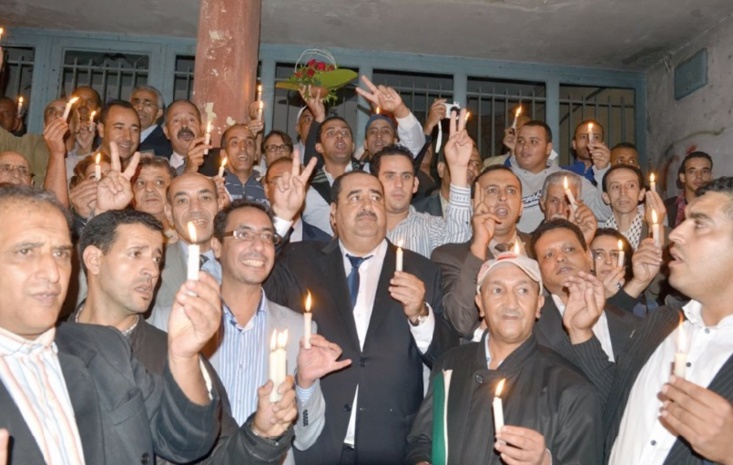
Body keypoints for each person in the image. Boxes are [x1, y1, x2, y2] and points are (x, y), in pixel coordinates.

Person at [0, 185, 221, 465]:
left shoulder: (104, 347)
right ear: (93, 260)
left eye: (60, 253)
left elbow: (186, 443)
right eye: (26, 251)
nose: (52, 272)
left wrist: (183, 355)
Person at [74, 208, 299, 465]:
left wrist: (261, 434)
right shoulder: (50, 347)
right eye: (136, 254)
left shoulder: (177, 356)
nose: (151, 270)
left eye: (156, 259)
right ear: (93, 260)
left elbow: (218, 455)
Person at [264, 170, 458, 464]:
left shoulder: (421, 271)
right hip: (315, 438)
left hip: (390, 444)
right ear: (333, 213)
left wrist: (420, 314)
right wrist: (280, 217)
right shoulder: (300, 260)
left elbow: (449, 359)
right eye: (355, 197)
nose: (367, 204)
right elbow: (255, 287)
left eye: (375, 197)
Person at [556, 177, 733, 465]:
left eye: (699, 223)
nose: (675, 234)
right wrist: (581, 332)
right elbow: (616, 401)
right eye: (684, 220)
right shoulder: (662, 322)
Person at [406, 252, 602, 464]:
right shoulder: (449, 365)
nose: (511, 303)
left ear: (538, 304)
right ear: (480, 304)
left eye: (523, 290)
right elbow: (422, 440)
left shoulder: (572, 389)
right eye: (497, 290)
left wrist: (545, 461)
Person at [209, 200, 351, 463]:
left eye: (266, 236)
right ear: (216, 246)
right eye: (243, 234)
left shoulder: (298, 328)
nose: (258, 245)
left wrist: (305, 385)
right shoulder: (178, 321)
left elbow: (306, 436)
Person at [431, 165, 530, 339]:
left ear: (521, 207)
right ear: (473, 203)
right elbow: (461, 322)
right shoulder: (449, 256)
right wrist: (479, 245)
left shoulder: (540, 248)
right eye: (492, 191)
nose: (502, 197)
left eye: (511, 191)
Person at [531, 219, 641, 361]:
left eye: (569, 249)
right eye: (549, 255)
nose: (560, 258)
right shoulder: (529, 327)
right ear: (538, 270)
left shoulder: (634, 326)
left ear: (589, 256)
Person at [148, 172, 226, 331]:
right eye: (182, 200)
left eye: (205, 198)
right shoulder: (152, 267)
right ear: (169, 213)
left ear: (220, 205)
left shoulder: (241, 262)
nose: (195, 208)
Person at [509, 120, 610, 232]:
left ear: (548, 148)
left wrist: (602, 170)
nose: (525, 147)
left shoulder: (569, 180)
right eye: (520, 141)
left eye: (533, 141)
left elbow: (603, 213)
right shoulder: (501, 178)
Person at [601, 164, 668, 250]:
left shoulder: (666, 235)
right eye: (616, 187)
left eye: (631, 186)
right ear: (606, 197)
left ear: (641, 194)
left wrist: (656, 231)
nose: (623, 193)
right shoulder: (596, 238)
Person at [538, 171, 598, 246]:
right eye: (553, 201)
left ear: (578, 205)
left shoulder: (596, 244)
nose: (560, 210)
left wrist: (582, 243)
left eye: (567, 202)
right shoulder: (528, 246)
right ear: (543, 204)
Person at [131, 154, 177, 238]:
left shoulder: (188, 238)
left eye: (159, 182)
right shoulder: (120, 239)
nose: (149, 189)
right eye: (140, 183)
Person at [219, 124, 267, 203]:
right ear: (224, 154)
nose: (243, 147)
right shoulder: (215, 190)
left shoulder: (267, 194)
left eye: (249, 143)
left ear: (255, 154)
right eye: (235, 142)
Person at [664, 151, 713, 228]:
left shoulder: (721, 207)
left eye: (705, 171)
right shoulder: (666, 207)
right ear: (682, 177)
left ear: (710, 176)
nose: (699, 176)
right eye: (692, 171)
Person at [565, 119, 611, 186]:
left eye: (596, 137)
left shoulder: (612, 176)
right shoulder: (561, 173)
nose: (589, 142)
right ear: (574, 144)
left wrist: (603, 170)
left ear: (602, 144)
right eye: (583, 137)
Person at [131, 85, 172, 157]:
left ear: (158, 113)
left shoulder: (163, 146)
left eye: (148, 104)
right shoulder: (121, 138)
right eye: (136, 102)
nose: (140, 108)